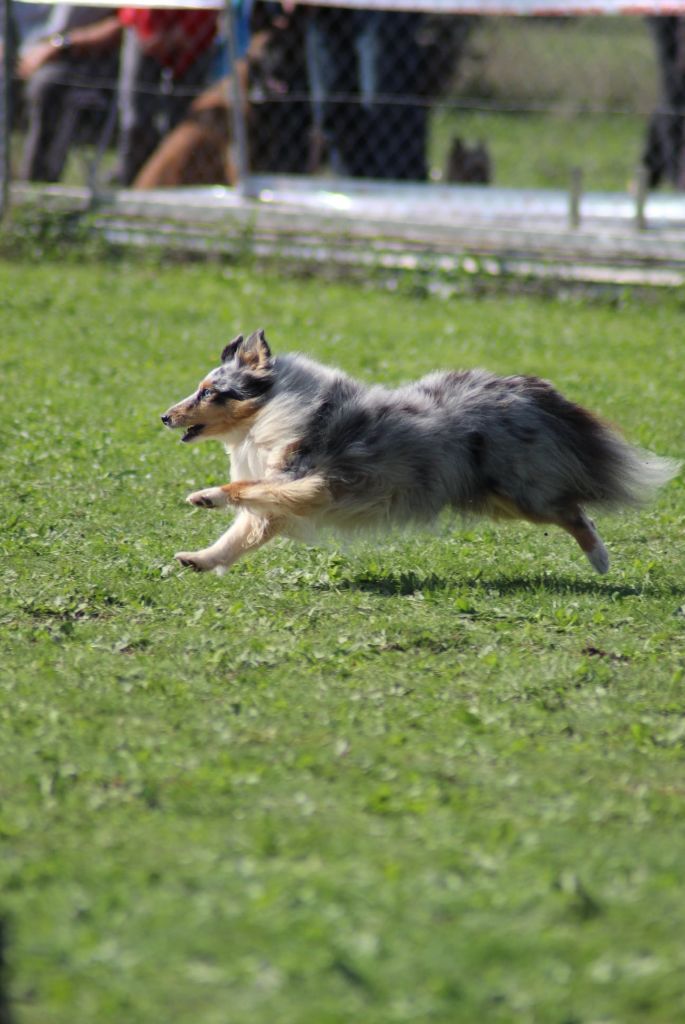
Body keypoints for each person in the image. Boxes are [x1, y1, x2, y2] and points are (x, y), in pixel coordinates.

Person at [17, 4, 119, 182]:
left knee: (47, 85)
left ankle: (36, 183)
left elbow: (121, 24)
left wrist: (58, 45)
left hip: (76, 60)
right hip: (17, 51)